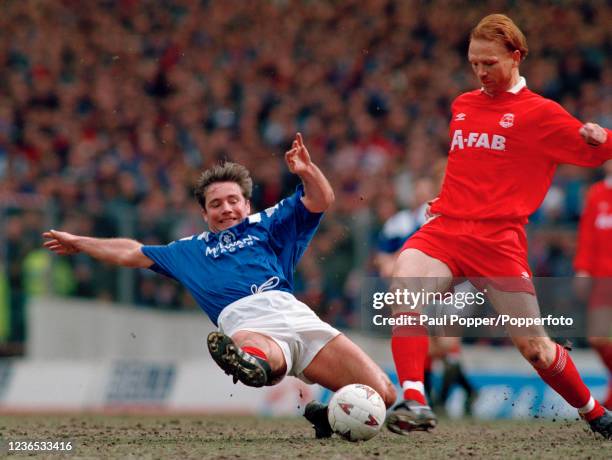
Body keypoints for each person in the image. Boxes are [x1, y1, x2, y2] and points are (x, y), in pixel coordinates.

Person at [43, 133, 396, 438]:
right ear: (204, 214)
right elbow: (130, 252)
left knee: (383, 396)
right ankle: (250, 363)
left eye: (232, 201)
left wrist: (306, 172)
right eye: (215, 204)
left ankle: (326, 417)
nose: (225, 209)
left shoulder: (268, 223)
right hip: (249, 325)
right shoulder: (188, 250)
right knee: (254, 359)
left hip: (299, 317)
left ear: (246, 204)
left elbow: (320, 200)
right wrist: (81, 242)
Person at [386, 14, 612, 439]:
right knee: (405, 292)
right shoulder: (463, 106)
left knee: (537, 350)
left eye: (489, 62)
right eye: (474, 63)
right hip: (446, 230)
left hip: (499, 242)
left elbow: (596, 153)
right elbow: (468, 165)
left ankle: (595, 412)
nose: (481, 72)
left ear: (516, 56)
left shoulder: (541, 114)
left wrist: (602, 138)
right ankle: (413, 398)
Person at [574, 159, 612, 410]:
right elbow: (587, 234)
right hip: (601, 276)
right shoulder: (597, 193)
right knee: (598, 337)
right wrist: (582, 269)